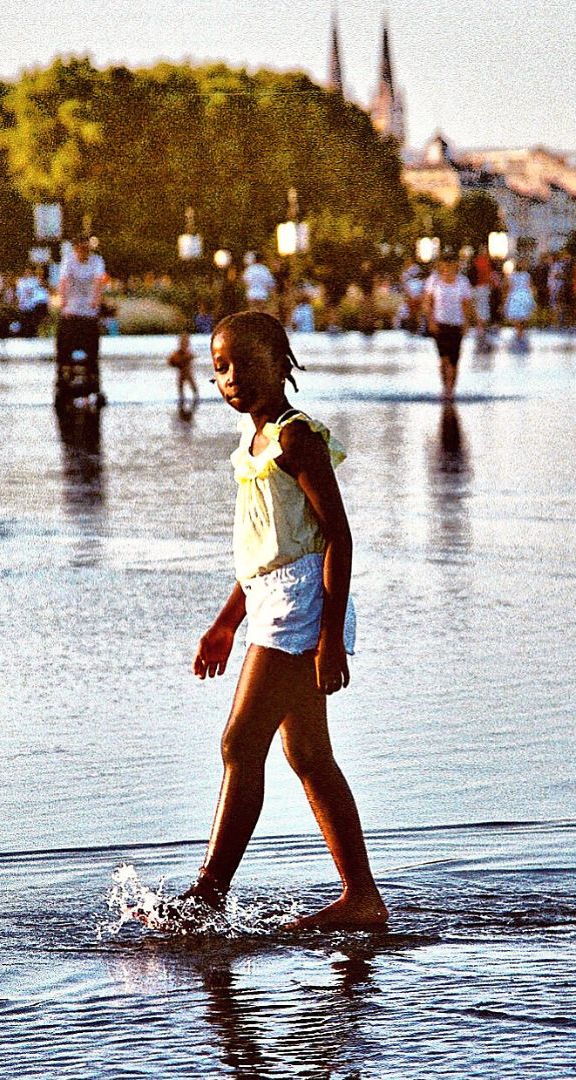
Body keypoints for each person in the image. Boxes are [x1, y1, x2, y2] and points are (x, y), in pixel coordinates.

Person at [175, 310, 386, 932]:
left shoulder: (297, 438)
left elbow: (337, 540)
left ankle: (210, 891)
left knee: (241, 742)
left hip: (303, 603)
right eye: (219, 369)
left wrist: (329, 639)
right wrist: (226, 623)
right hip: (271, 598)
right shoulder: (252, 444)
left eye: (244, 363)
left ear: (280, 362)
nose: (231, 378)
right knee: (308, 753)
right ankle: (362, 898)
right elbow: (262, 553)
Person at [54, 236, 109, 408]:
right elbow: (63, 281)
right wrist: (62, 301)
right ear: (76, 249)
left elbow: (98, 281)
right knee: (63, 350)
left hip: (89, 312)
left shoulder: (96, 261)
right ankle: (62, 379)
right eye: (80, 249)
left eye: (86, 250)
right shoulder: (68, 261)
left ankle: (94, 382)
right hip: (71, 310)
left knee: (92, 352)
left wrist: (96, 300)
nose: (83, 253)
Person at [419, 254, 478, 400]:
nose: (448, 269)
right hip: (440, 323)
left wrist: (467, 323)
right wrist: (431, 321)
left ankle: (451, 390)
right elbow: (427, 303)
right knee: (443, 358)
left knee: (454, 359)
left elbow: (466, 303)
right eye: (445, 266)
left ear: (456, 267)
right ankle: (444, 387)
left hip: (456, 323)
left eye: (452, 266)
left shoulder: (462, 282)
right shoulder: (434, 281)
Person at [503, 260, 536, 343]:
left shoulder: (518, 275)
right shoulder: (523, 275)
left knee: (518, 315)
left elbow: (509, 286)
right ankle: (519, 331)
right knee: (520, 315)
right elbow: (530, 285)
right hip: (522, 295)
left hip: (518, 295)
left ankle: (519, 331)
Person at [13, 265, 50, 338]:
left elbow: (43, 285)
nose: (27, 272)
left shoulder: (34, 280)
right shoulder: (20, 281)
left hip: (32, 306)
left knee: (31, 325)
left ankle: (33, 335)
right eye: (26, 271)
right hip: (22, 306)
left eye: (29, 271)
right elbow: (18, 294)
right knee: (23, 324)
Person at [167, 330, 199, 408]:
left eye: (186, 342)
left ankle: (193, 398)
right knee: (182, 388)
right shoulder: (178, 354)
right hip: (183, 373)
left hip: (187, 373)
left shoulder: (187, 354)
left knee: (192, 388)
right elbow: (171, 362)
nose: (185, 343)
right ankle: (183, 399)